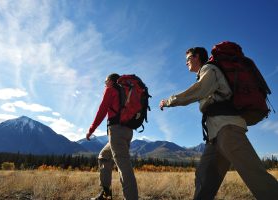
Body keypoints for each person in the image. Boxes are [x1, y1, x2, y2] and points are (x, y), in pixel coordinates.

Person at [159, 47, 278, 199]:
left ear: (197, 57)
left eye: (188, 59)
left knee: (257, 177)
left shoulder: (209, 69)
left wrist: (169, 101)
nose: (186, 63)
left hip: (227, 129)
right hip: (215, 136)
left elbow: (199, 90)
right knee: (204, 177)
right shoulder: (207, 71)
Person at [86, 73, 138, 200]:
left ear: (111, 81)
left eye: (106, 81)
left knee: (124, 167)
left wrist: (91, 130)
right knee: (103, 156)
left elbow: (102, 110)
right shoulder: (127, 92)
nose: (105, 84)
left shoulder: (111, 90)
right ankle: (106, 194)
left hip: (117, 132)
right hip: (128, 131)